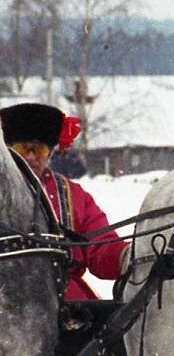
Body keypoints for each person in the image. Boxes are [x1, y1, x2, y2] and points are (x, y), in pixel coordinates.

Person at [0, 103, 130, 300]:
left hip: (66, 299)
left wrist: (126, 256)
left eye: (39, 149)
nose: (31, 157)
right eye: (22, 149)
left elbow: (99, 245)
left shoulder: (74, 195)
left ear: (51, 152)